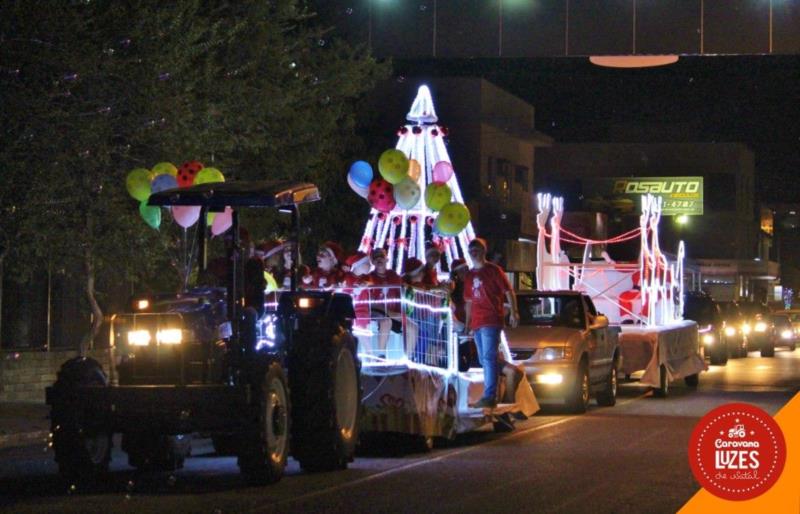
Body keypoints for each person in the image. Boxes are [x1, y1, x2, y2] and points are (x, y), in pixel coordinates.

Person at [464, 237, 519, 409]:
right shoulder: (469, 275)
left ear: (484, 251)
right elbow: (469, 301)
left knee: (488, 358)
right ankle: (510, 371)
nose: (474, 253)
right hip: (478, 322)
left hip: (491, 319)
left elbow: (508, 291)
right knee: (484, 359)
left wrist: (514, 312)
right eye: (471, 250)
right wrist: (468, 323)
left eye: (477, 250)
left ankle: (489, 396)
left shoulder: (494, 271)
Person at [366, 248, 403, 354]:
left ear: (387, 259)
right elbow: (371, 302)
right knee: (386, 321)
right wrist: (389, 312)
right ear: (372, 261)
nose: (379, 259)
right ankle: (381, 357)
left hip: (395, 313)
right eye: (375, 257)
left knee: (412, 325)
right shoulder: (370, 278)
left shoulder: (394, 276)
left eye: (381, 256)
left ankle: (408, 358)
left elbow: (401, 293)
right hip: (378, 313)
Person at [449, 258, 469, 333]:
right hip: (460, 322)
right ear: (456, 274)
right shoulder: (453, 287)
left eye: (466, 269)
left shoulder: (472, 284)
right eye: (461, 271)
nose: (465, 273)